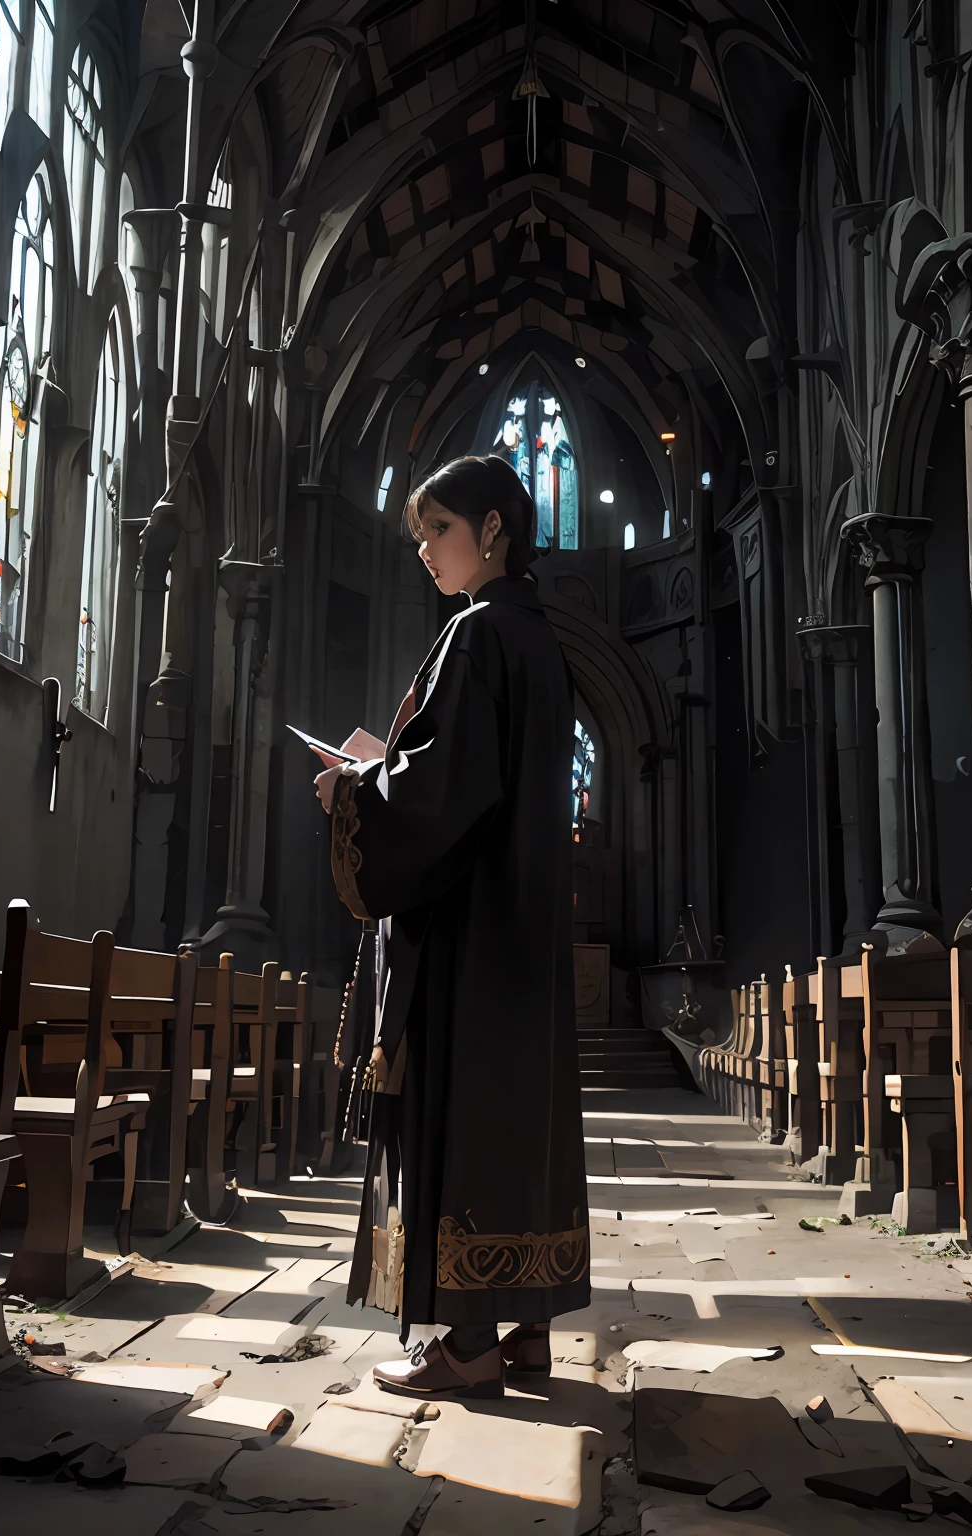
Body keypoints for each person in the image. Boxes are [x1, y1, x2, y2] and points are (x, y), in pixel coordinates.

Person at [312, 454, 590, 1399]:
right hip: (520, 925)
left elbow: (443, 795)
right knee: (516, 1120)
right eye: (422, 534)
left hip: (470, 937)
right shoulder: (535, 637)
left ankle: (468, 1346)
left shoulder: (477, 633)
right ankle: (528, 1334)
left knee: (469, 1115)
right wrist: (394, 770)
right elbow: (477, 779)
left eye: (440, 530)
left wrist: (357, 787)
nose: (427, 551)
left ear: (494, 530)